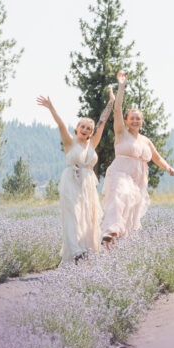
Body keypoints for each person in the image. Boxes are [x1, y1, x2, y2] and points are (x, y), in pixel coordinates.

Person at [36, 92, 113, 263]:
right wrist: (50, 107)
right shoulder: (69, 142)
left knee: (88, 216)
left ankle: (88, 251)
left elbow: (102, 122)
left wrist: (110, 102)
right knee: (73, 216)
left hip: (88, 184)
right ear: (77, 128)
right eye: (82, 127)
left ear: (91, 132)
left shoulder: (92, 143)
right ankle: (75, 251)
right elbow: (60, 124)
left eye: (88, 128)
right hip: (71, 181)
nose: (85, 130)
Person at [102, 72, 174, 246]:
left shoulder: (145, 140)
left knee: (131, 214)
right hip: (120, 173)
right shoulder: (121, 133)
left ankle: (115, 247)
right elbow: (117, 109)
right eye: (132, 118)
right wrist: (121, 87)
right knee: (121, 195)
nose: (135, 121)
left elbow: (157, 157)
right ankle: (110, 230)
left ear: (142, 121)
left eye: (138, 119)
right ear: (127, 121)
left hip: (139, 181)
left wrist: (168, 168)